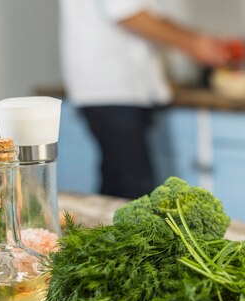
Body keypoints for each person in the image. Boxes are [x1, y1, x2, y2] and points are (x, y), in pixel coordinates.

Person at [60, 0, 229, 198]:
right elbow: (125, 11)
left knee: (116, 189)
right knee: (135, 194)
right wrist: (194, 44)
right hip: (112, 87)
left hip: (119, 89)